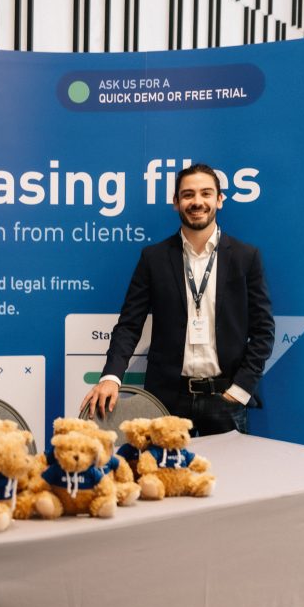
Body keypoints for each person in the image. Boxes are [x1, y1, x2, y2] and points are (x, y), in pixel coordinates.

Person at [81, 163, 275, 435]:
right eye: (188, 194)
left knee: (230, 465)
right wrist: (111, 377)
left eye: (206, 193)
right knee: (161, 465)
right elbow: (129, 325)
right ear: (176, 202)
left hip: (225, 399)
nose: (197, 202)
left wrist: (240, 389)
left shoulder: (246, 257)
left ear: (219, 199)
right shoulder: (154, 258)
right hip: (166, 400)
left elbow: (264, 330)